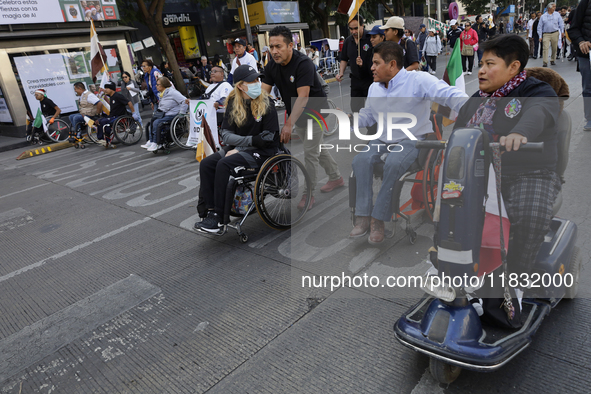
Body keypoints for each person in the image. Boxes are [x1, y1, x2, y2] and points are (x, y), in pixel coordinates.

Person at [454, 34, 561, 277]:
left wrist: (520, 132)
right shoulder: (475, 101)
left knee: (528, 218)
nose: (481, 71)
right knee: (449, 216)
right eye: (481, 64)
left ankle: (515, 280)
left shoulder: (537, 91)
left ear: (513, 67)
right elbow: (458, 133)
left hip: (529, 174)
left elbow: (539, 111)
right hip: (479, 175)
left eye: (489, 64)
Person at [349, 41, 467, 243]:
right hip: (382, 139)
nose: (372, 68)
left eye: (376, 63)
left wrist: (475, 107)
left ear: (392, 64)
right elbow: (368, 116)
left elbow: (449, 94)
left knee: (394, 163)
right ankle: (363, 215)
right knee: (360, 161)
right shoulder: (374, 88)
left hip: (414, 140)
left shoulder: (418, 80)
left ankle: (379, 219)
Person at [262, 26, 343, 210]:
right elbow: (263, 94)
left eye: (278, 46)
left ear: (290, 45)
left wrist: (288, 124)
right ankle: (336, 177)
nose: (274, 51)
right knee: (317, 149)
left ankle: (309, 194)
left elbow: (303, 96)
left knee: (310, 155)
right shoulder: (272, 65)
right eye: (271, 47)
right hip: (297, 113)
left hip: (315, 112)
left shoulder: (303, 63)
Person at [194, 65, 279, 232]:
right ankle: (210, 211)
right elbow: (225, 134)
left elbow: (267, 137)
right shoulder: (233, 103)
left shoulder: (267, 102)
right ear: (240, 85)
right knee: (206, 164)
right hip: (240, 148)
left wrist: (240, 147)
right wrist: (241, 145)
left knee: (224, 164)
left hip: (263, 151)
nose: (257, 83)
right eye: (252, 80)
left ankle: (219, 218)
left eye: (257, 79)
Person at [337, 15, 374, 114]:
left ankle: (373, 129)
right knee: (355, 108)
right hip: (355, 80)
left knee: (371, 109)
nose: (354, 32)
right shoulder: (348, 41)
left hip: (370, 80)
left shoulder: (370, 38)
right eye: (351, 29)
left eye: (356, 28)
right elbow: (344, 59)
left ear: (362, 25)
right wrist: (341, 72)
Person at [142, 77, 188, 151]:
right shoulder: (162, 94)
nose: (156, 86)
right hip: (164, 114)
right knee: (152, 121)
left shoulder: (173, 92)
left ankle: (156, 143)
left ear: (163, 85)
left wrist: (182, 113)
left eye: (158, 84)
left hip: (173, 114)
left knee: (157, 122)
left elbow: (184, 101)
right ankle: (151, 141)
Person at [568, 0, 591, 130]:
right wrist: (581, 41)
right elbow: (573, 28)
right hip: (586, 54)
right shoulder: (585, 3)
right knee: (588, 88)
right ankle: (590, 118)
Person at [97, 82, 135, 148]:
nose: (105, 89)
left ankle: (103, 139)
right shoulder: (111, 96)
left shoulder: (118, 96)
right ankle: (106, 140)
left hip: (119, 116)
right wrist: (102, 91)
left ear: (111, 89)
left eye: (107, 88)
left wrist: (134, 113)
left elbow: (129, 102)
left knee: (103, 122)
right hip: (112, 116)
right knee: (100, 121)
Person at [538, 2, 565, 67]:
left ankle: (552, 59)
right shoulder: (543, 16)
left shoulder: (557, 15)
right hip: (546, 34)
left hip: (555, 33)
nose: (555, 8)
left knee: (554, 48)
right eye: (553, 7)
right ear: (549, 8)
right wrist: (540, 36)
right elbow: (539, 27)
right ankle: (545, 62)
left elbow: (561, 23)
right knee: (545, 47)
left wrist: (562, 31)